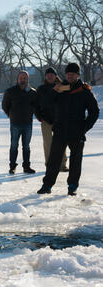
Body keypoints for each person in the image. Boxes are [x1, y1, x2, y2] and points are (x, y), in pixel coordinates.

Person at [37, 63, 99, 196]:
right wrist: (54, 91)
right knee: (54, 159)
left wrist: (84, 127)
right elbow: (44, 104)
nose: (70, 75)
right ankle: (47, 185)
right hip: (60, 130)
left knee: (76, 160)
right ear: (65, 75)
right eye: (68, 73)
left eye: (73, 74)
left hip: (77, 131)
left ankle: (72, 186)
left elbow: (94, 111)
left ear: (78, 75)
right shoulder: (60, 88)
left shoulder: (84, 90)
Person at [2, 70, 37, 175]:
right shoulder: (10, 91)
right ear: (17, 79)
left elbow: (36, 106)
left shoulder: (32, 92)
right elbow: (5, 106)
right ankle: (12, 167)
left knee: (26, 146)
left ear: (28, 79)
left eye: (25, 78)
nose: (23, 79)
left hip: (28, 124)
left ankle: (26, 167)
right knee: (14, 146)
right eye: (21, 78)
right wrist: (11, 115)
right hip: (15, 123)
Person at [35, 67, 69, 172]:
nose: (50, 76)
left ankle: (62, 164)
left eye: (52, 74)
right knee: (48, 143)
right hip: (45, 120)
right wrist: (38, 116)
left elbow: (68, 101)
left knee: (62, 143)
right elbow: (36, 104)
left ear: (55, 76)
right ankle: (49, 165)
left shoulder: (62, 87)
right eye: (48, 74)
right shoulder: (41, 89)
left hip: (60, 120)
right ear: (45, 76)